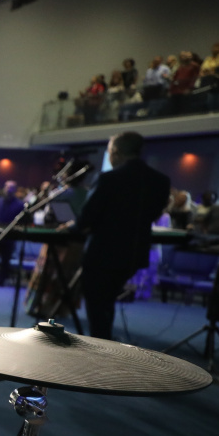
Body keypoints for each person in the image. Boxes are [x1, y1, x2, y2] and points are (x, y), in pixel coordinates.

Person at [73, 132, 172, 340]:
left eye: (109, 152)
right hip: (134, 255)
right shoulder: (161, 181)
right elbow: (154, 214)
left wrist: (73, 227)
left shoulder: (108, 179)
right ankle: (104, 342)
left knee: (98, 306)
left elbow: (87, 219)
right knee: (107, 301)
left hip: (102, 254)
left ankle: (100, 346)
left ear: (116, 152)